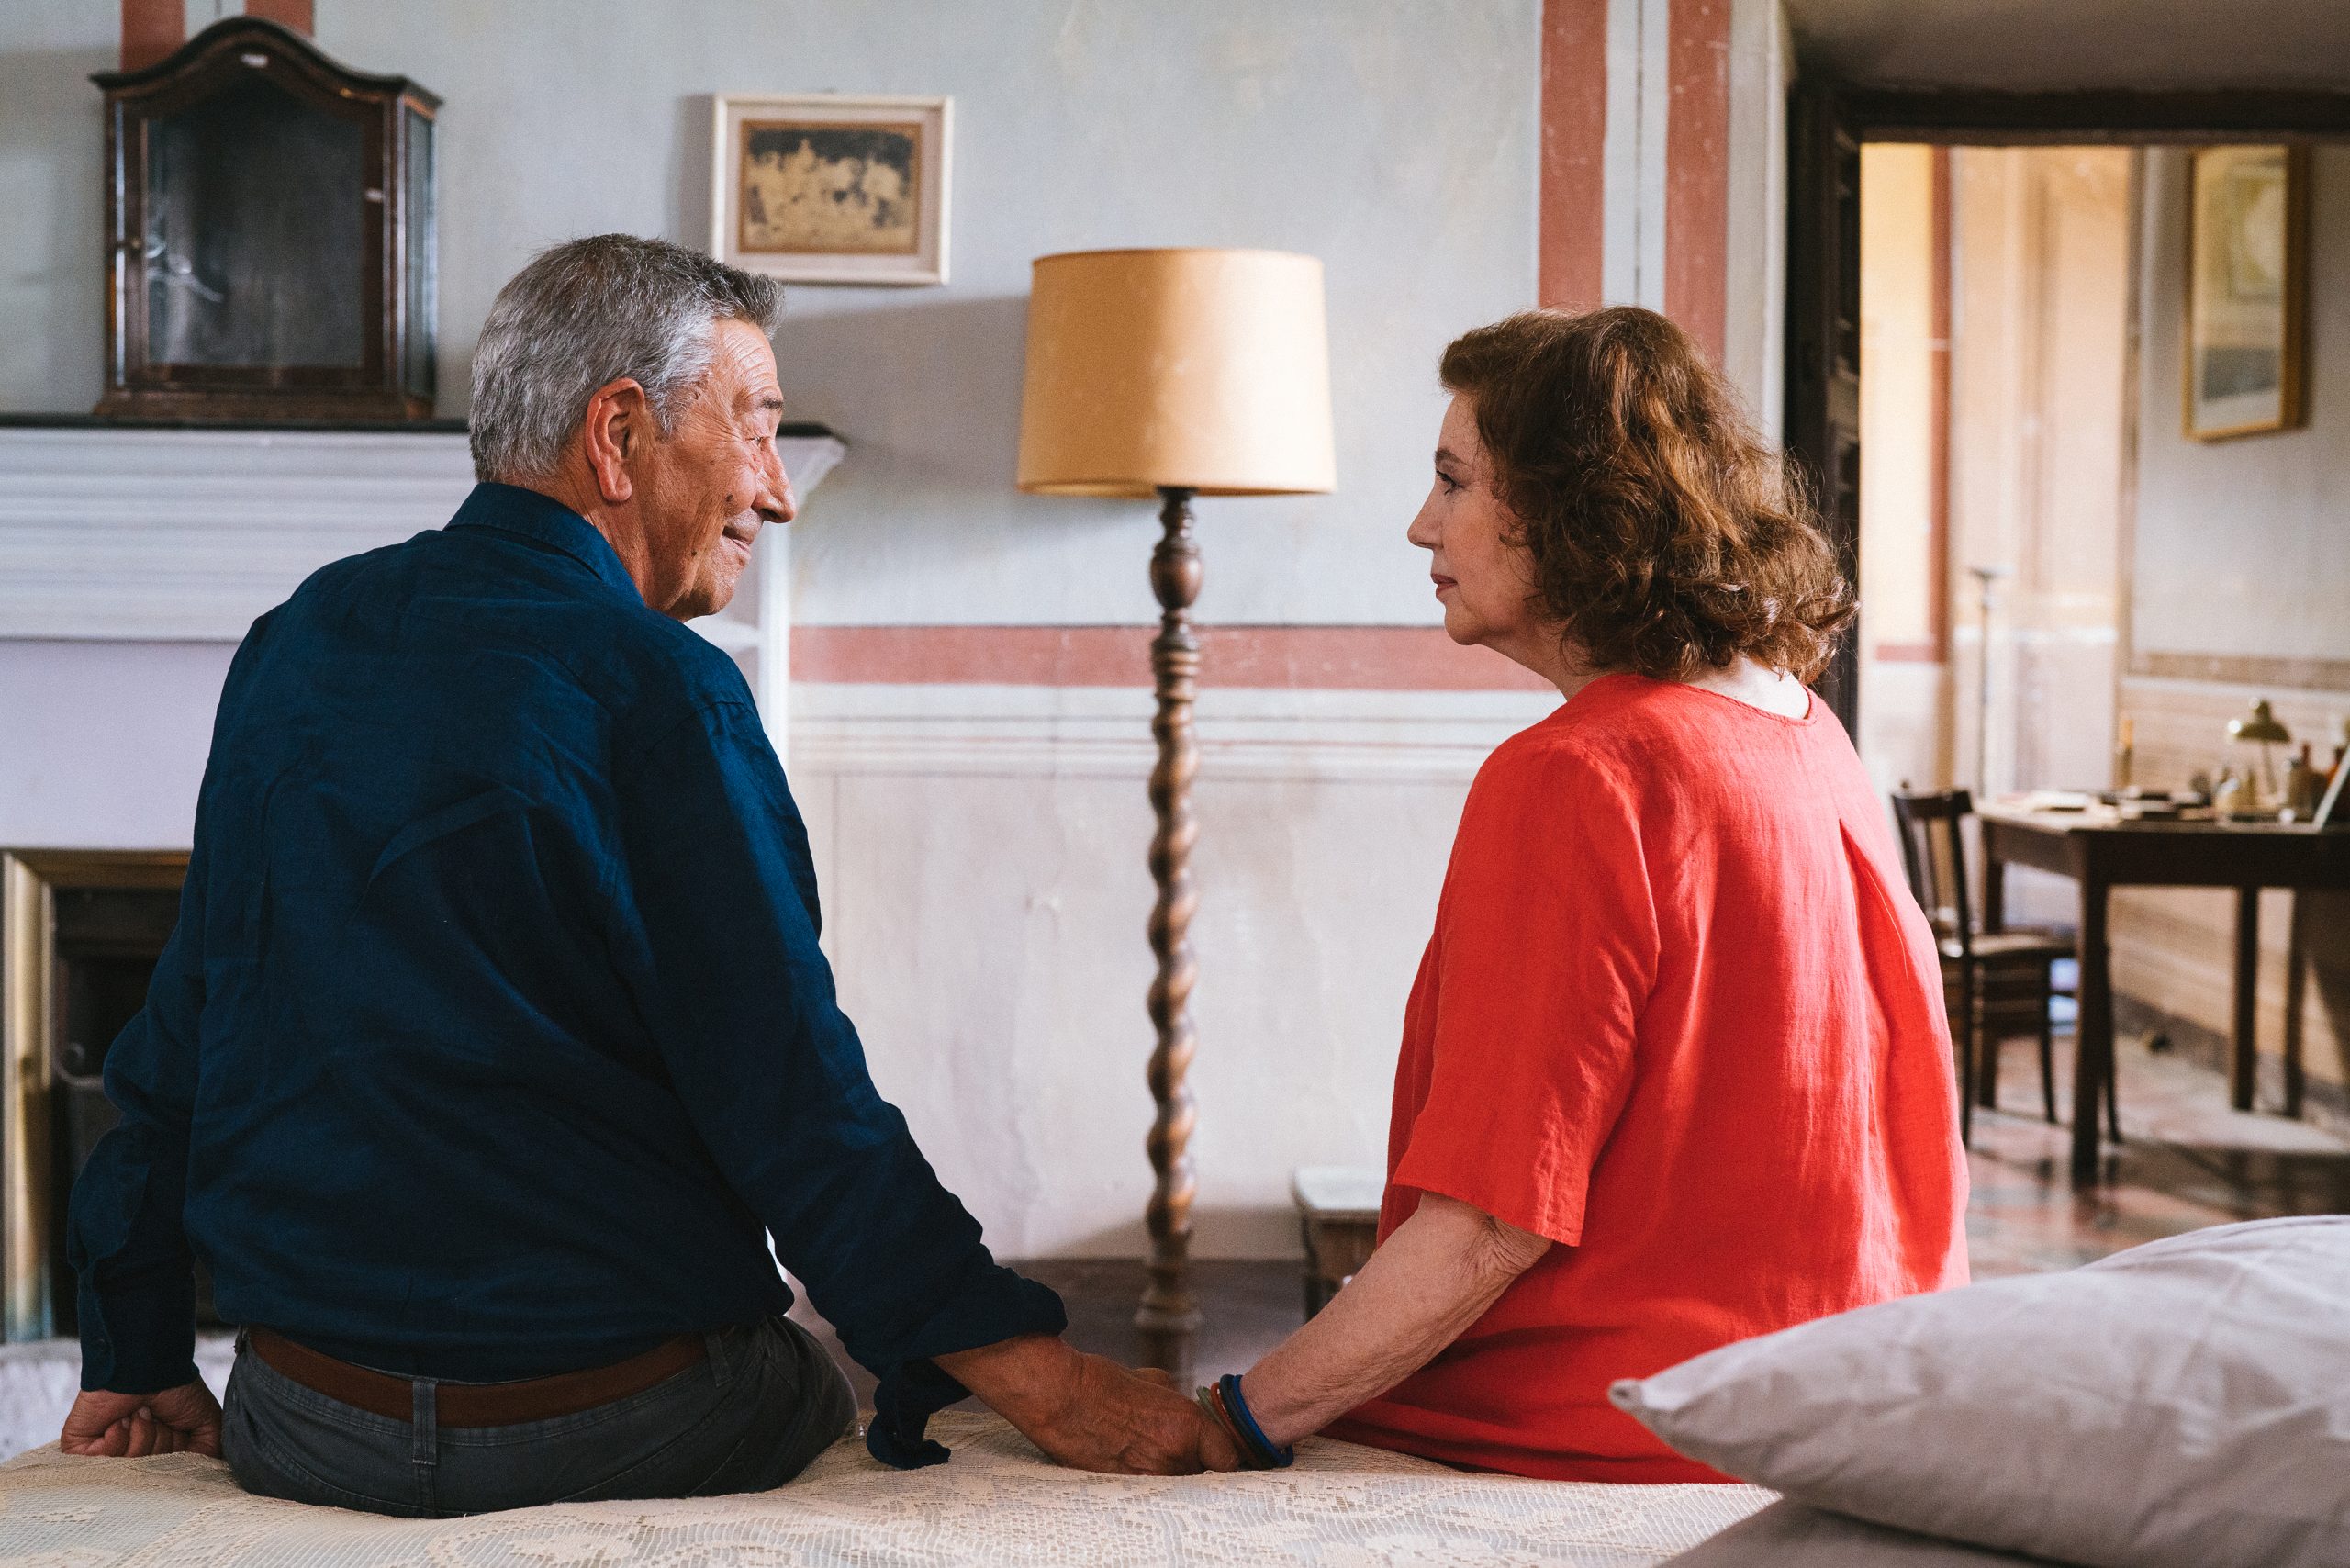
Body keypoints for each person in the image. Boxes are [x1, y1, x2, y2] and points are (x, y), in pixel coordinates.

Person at [59, 234, 1236, 1516]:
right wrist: (1045, 1379)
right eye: (756, 427)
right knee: (805, 1380)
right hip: (609, 1430)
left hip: (302, 1420)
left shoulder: (297, 642)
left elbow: (180, 1031)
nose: (778, 492)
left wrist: (136, 1352)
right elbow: (793, 1101)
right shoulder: (668, 693)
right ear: (617, 436)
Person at [1192, 307, 1967, 1481]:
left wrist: (1241, 1414)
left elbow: (1490, 1225)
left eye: (1453, 481)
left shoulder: (1574, 774)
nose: (1419, 524)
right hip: (1849, 1389)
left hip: (1625, 1417)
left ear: (1569, 507)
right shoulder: (1806, 728)